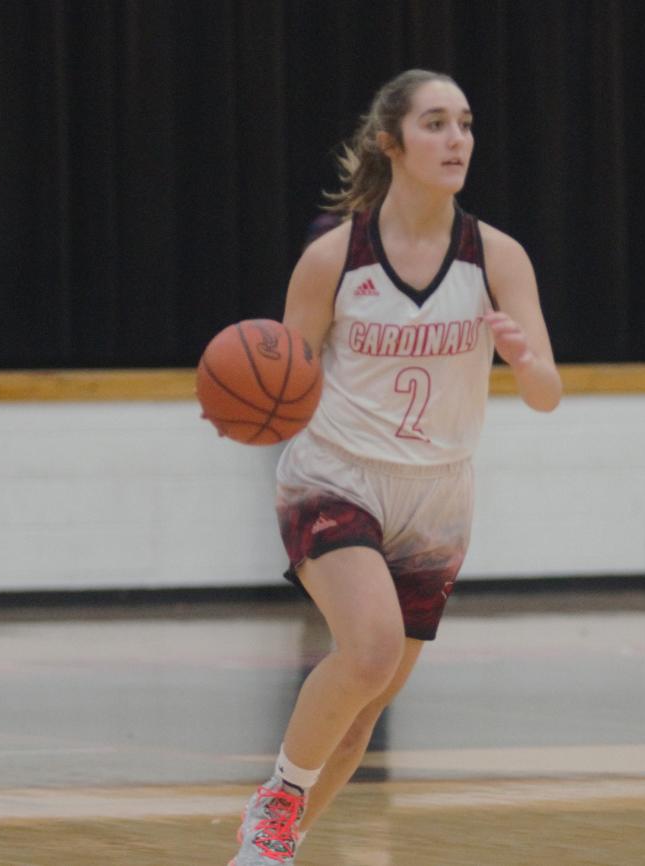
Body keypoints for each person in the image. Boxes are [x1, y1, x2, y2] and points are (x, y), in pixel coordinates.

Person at [229, 69, 562, 865]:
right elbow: (288, 375)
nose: (457, 141)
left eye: (466, 124)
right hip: (334, 476)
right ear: (391, 142)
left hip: (438, 495)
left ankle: (271, 852)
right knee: (369, 650)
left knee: (366, 708)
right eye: (436, 124)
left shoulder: (498, 256)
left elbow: (548, 393)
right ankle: (275, 800)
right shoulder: (333, 259)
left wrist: (522, 358)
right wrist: (252, 401)